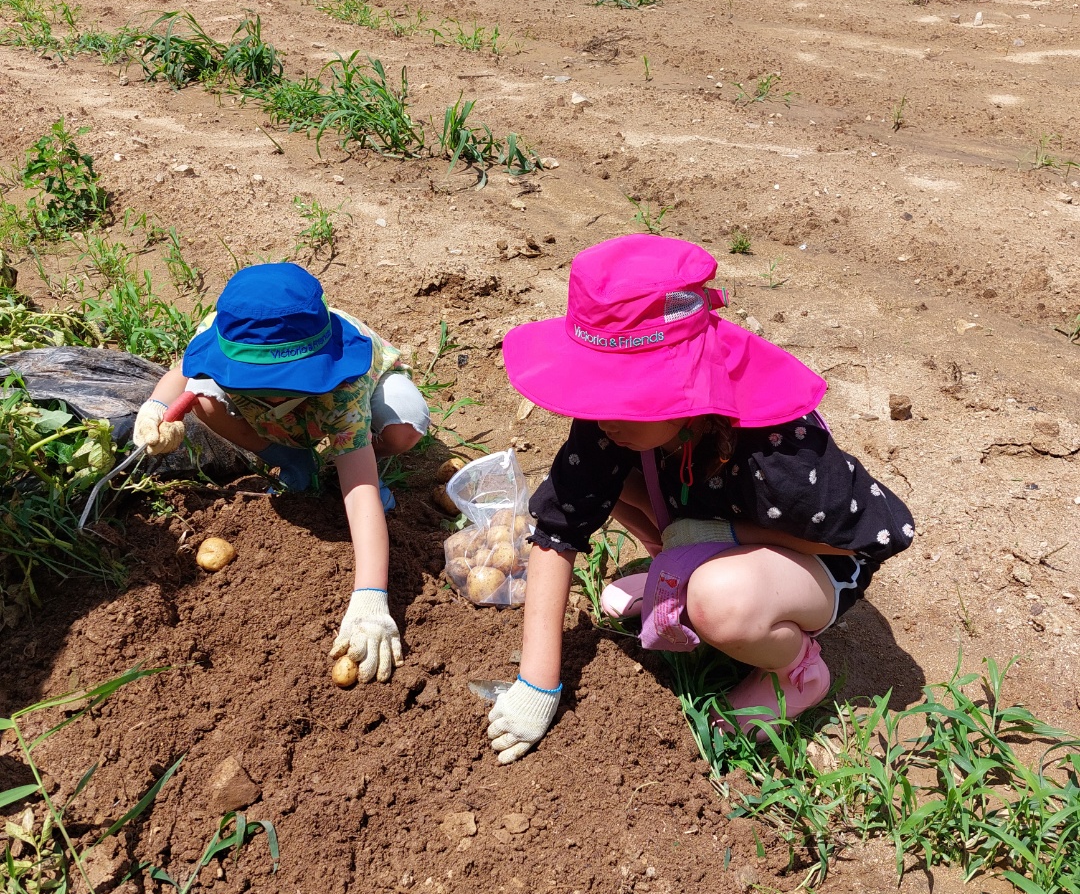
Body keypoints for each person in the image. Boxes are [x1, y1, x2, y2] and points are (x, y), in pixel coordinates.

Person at [485, 234, 914, 764]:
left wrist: (726, 537)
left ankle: (794, 671)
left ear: (682, 381)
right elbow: (560, 527)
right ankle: (683, 571)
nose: (604, 418)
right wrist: (538, 682)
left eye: (625, 399)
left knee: (723, 602)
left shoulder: (780, 456)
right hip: (707, 509)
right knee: (595, 476)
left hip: (818, 557)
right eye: (596, 395)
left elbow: (873, 538)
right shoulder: (611, 423)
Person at [133, 262, 429, 686]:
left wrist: (369, 598)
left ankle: (341, 457)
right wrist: (157, 408)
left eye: (281, 382)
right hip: (288, 414)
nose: (271, 390)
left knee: (404, 427)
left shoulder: (342, 384)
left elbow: (361, 493)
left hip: (356, 392)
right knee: (202, 398)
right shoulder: (227, 328)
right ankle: (291, 460)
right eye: (260, 382)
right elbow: (182, 373)